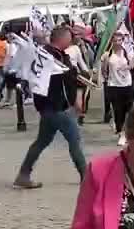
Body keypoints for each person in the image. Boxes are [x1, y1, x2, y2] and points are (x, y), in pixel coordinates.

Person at [15, 27, 88, 189]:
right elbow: (64, 79)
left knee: (41, 142)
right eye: (69, 37)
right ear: (62, 39)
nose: (71, 41)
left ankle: (23, 174)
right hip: (56, 107)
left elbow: (70, 75)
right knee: (74, 140)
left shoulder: (59, 56)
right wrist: (76, 96)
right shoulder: (47, 57)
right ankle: (86, 176)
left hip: (50, 108)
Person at [102, 30, 134, 147]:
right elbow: (104, 70)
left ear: (123, 41)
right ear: (111, 41)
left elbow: (133, 66)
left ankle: (124, 133)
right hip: (114, 85)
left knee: (129, 110)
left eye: (119, 40)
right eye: (115, 40)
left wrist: (127, 66)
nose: (117, 42)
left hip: (127, 84)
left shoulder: (128, 53)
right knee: (118, 111)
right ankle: (120, 130)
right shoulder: (108, 55)